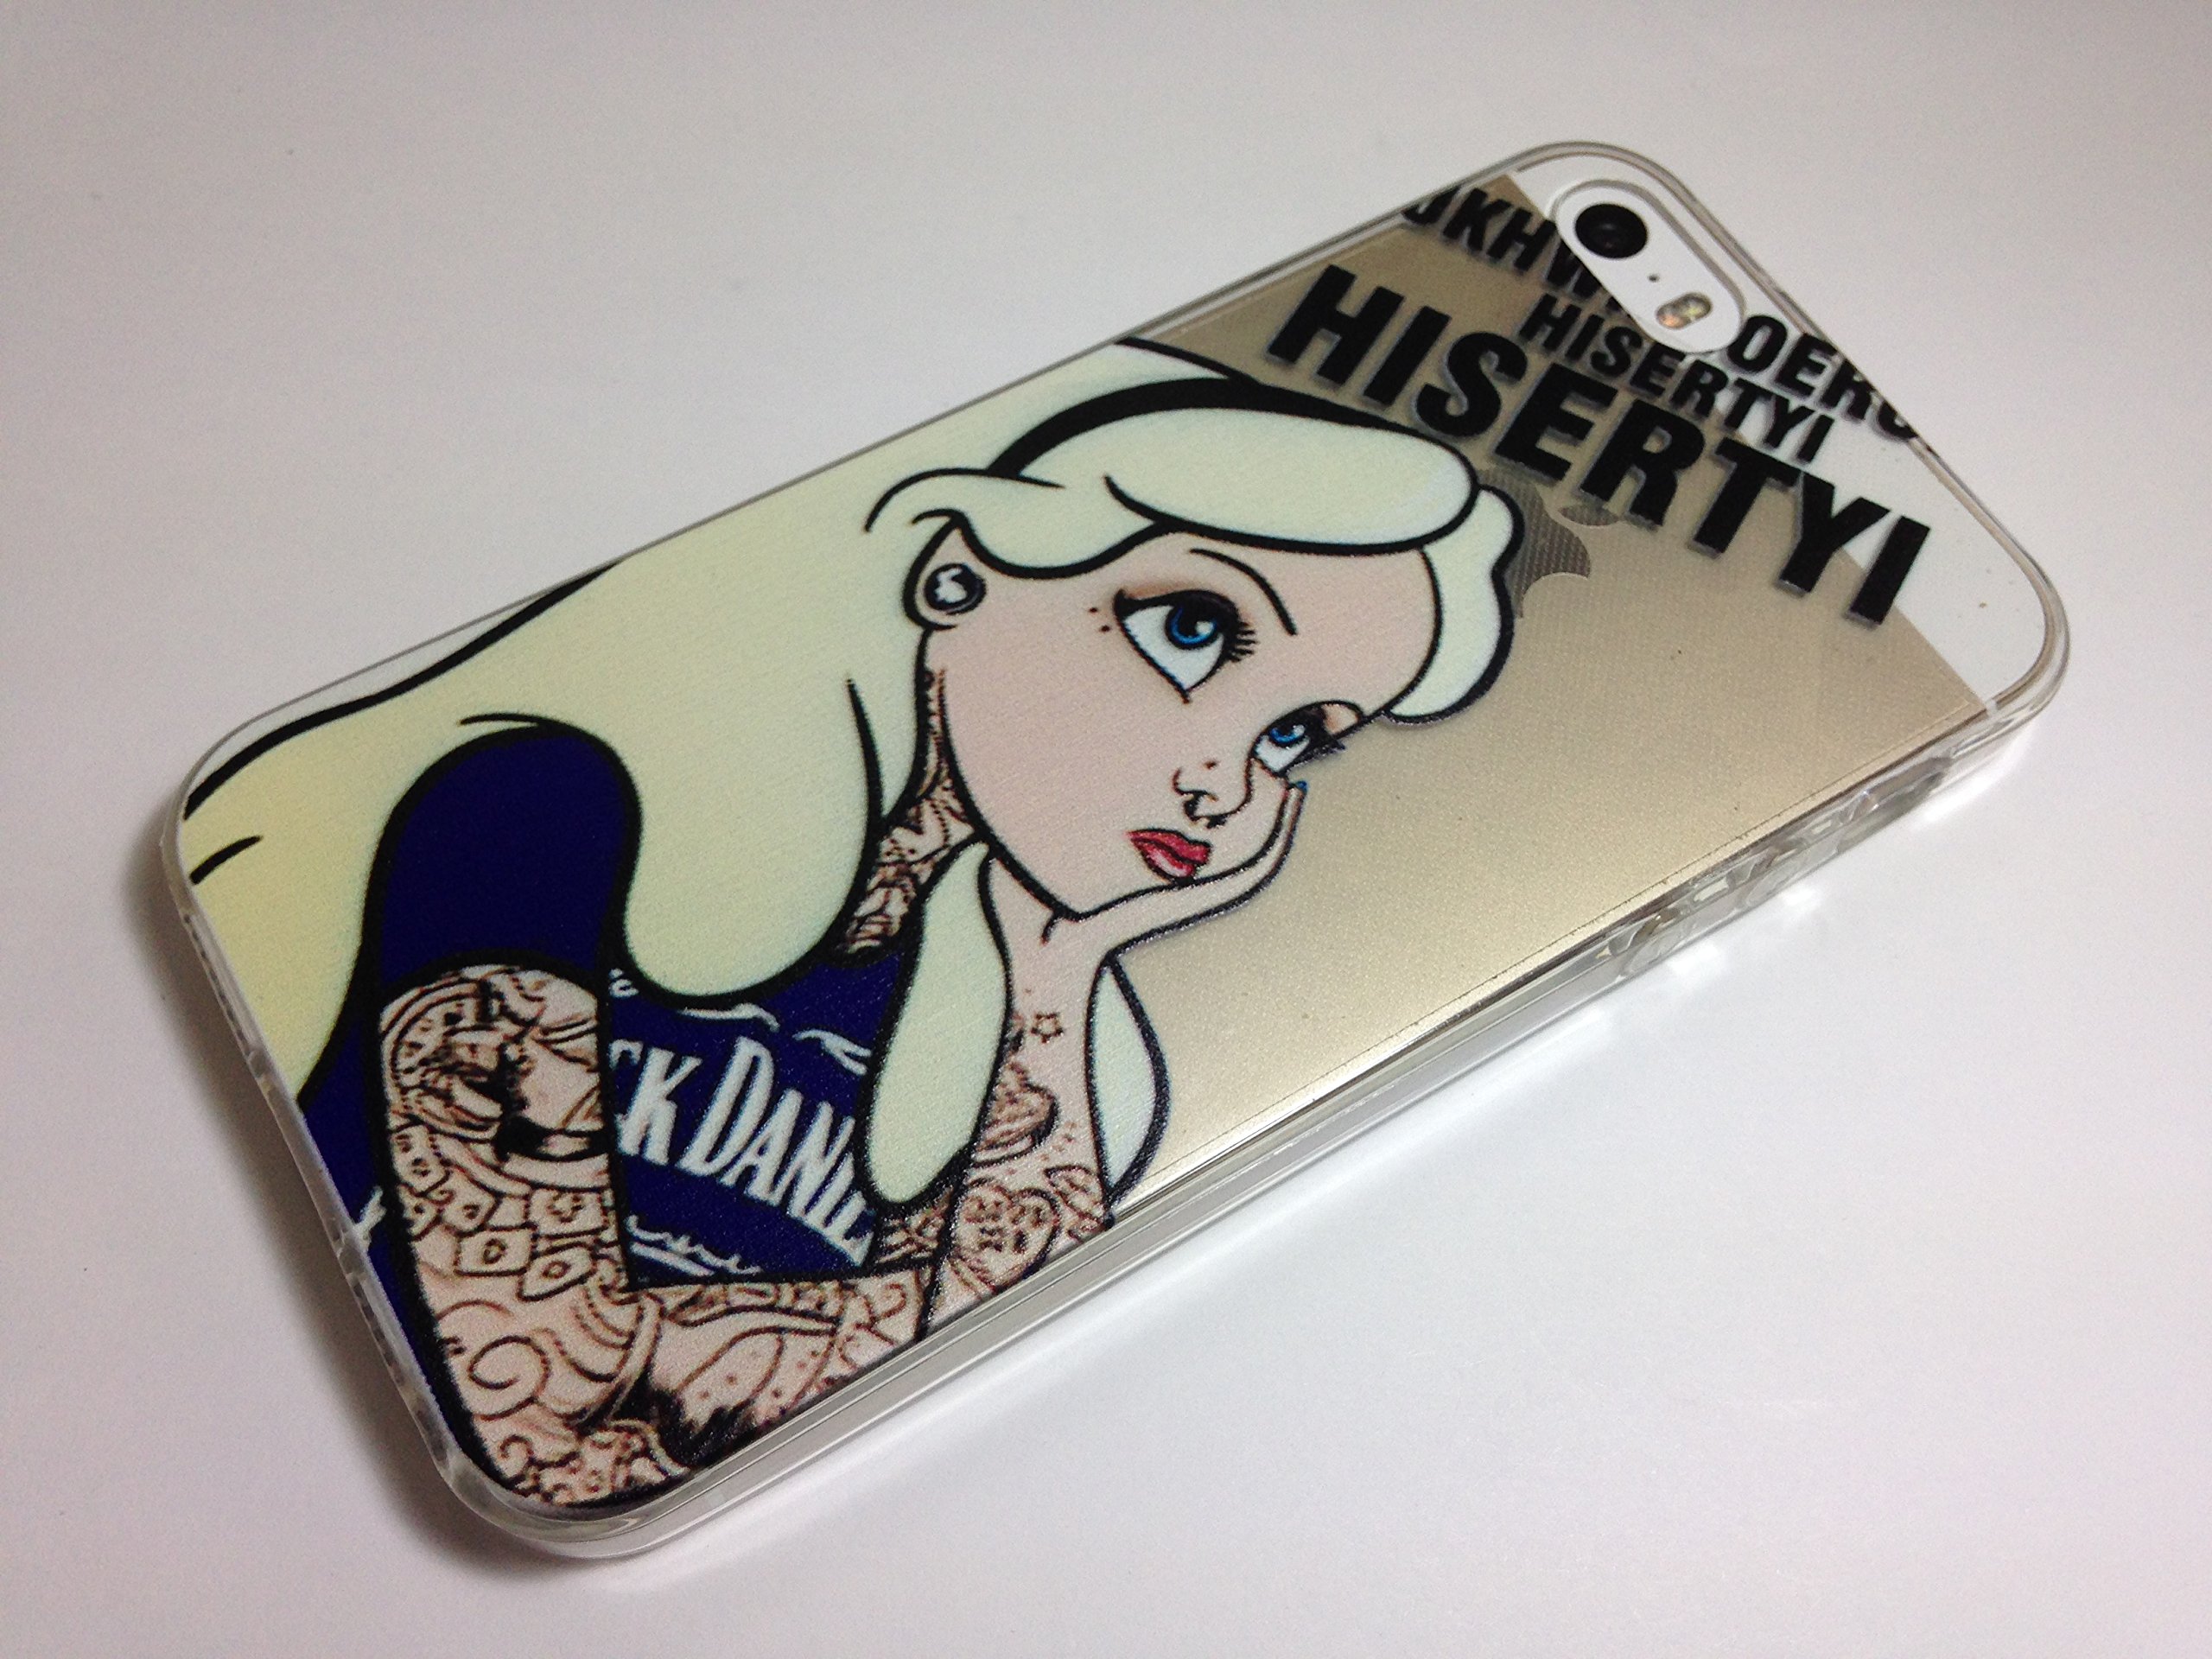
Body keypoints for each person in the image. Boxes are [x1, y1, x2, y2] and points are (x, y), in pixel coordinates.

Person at [177, 341, 1522, 1506]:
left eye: (1299, 735)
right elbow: (550, 1411)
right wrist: (931, 1287)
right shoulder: (544, 810)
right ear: (959, 570)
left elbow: (988, 1338)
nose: (1223, 782)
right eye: (1191, 629)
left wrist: (1057, 970)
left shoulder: (1028, 1023)